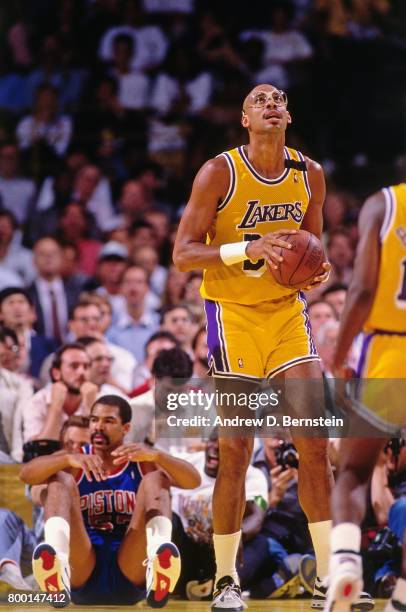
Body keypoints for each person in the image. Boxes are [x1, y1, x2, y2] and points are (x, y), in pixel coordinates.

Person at [173, 82, 353, 611]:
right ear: (246, 121)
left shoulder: (309, 174)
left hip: (286, 317)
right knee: (236, 449)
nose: (270, 104)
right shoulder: (219, 172)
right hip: (232, 318)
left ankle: (327, 577)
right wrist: (247, 247)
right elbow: (184, 253)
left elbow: (313, 248)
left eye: (278, 99)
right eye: (259, 100)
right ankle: (228, 580)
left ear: (288, 115)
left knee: (315, 445)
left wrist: (316, 271)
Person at [20, 394, 201, 607]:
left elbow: (193, 481)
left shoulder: (141, 459)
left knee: (157, 478)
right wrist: (66, 458)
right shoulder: (75, 459)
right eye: (94, 420)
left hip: (131, 564)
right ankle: (56, 564)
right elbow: (26, 475)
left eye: (108, 421)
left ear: (125, 428)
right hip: (82, 565)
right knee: (59, 479)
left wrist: (158, 456)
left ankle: (159, 562)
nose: (98, 426)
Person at [327, 182, 406, 612]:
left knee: (354, 471)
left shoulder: (384, 203)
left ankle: (344, 563)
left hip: (391, 352)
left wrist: (339, 361)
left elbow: (358, 292)